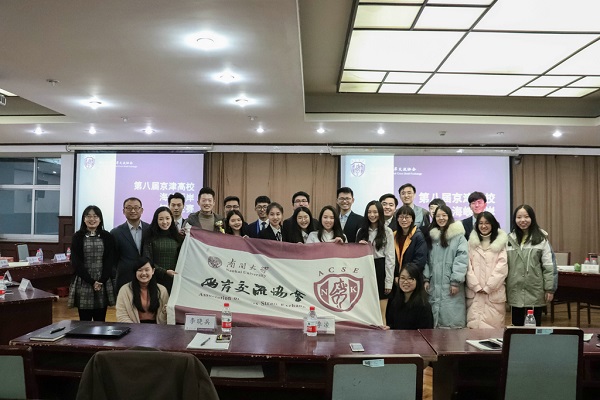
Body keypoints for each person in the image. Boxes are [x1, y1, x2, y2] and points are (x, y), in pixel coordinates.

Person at [506, 204, 554, 326]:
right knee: (516, 327)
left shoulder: (541, 239)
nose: (523, 220)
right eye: (519, 217)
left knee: (534, 327)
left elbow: (548, 266)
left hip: (534, 288)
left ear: (532, 218)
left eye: (526, 217)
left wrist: (549, 289)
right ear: (514, 219)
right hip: (515, 288)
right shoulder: (509, 239)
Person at [68, 205, 116, 321]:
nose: (92, 219)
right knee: (84, 320)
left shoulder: (107, 236)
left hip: (103, 280)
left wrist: (101, 280)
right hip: (84, 281)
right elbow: (76, 262)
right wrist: (91, 281)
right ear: (84, 219)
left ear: (100, 219)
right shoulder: (77, 237)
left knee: (101, 320)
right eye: (88, 216)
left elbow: (110, 260)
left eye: (95, 216)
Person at [423, 205, 468, 328]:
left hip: (451, 285)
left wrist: (455, 281)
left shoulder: (458, 236)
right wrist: (426, 278)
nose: (441, 218)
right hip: (433, 284)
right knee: (433, 323)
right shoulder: (431, 237)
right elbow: (425, 259)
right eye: (438, 216)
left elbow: (462, 259)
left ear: (449, 217)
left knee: (451, 321)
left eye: (444, 215)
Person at [466, 211, 508, 329]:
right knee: (473, 330)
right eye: (481, 223)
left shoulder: (501, 243)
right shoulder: (471, 243)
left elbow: (502, 267)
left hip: (493, 294)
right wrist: (475, 286)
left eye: (487, 223)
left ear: (493, 224)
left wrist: (489, 287)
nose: (483, 226)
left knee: (493, 332)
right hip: (474, 292)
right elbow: (467, 266)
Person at [356, 201, 394, 323]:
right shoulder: (361, 231)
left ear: (380, 213)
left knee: (381, 314)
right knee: (365, 312)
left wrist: (388, 282)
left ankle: (383, 333)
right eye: (369, 212)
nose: (372, 215)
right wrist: (359, 247)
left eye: (375, 212)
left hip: (380, 268)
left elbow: (390, 258)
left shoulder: (387, 232)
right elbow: (355, 256)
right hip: (365, 269)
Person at [111, 197, 150, 293]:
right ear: (123, 211)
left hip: (147, 278)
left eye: (136, 207)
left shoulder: (150, 229)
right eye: (129, 208)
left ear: (142, 210)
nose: (133, 211)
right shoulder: (116, 233)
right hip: (125, 278)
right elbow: (113, 259)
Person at [116, 257, 169, 324]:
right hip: (133, 327)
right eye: (140, 270)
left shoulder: (162, 290)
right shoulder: (125, 290)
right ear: (135, 272)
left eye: (147, 270)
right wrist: (135, 329)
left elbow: (165, 318)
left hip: (157, 327)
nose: (143, 273)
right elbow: (122, 316)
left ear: (153, 271)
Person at [142, 207, 183, 294]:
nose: (164, 222)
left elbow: (182, 257)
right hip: (154, 278)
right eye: (161, 219)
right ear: (156, 220)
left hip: (174, 279)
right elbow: (147, 260)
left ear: (172, 219)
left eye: (167, 218)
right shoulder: (149, 236)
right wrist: (164, 272)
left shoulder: (177, 237)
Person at [386, 262, 434, 330]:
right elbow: (391, 325)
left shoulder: (424, 306)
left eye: (410, 278)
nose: (405, 282)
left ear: (417, 281)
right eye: (402, 278)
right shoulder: (394, 302)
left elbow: (427, 332)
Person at [393, 205, 428, 274]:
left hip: (411, 275)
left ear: (412, 219)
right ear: (397, 219)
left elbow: (420, 260)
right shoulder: (394, 235)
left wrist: (406, 275)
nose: (404, 220)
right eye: (401, 217)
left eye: (407, 217)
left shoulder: (418, 236)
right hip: (396, 276)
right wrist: (396, 275)